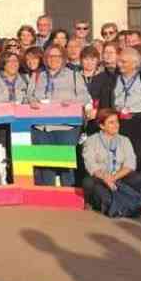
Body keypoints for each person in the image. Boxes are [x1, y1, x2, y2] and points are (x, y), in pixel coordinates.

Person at [97, 48, 141, 186]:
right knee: (120, 158)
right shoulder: (112, 80)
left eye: (123, 62)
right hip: (118, 122)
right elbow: (105, 103)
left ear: (135, 63)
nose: (119, 64)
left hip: (140, 122)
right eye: (119, 61)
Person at [29, 45, 89, 186]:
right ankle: (48, 197)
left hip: (66, 127)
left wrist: (71, 102)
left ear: (63, 59)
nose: (53, 59)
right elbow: (28, 96)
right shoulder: (37, 76)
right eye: (50, 56)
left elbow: (84, 97)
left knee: (66, 165)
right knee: (45, 164)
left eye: (57, 56)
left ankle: (68, 196)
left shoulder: (74, 75)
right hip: (42, 127)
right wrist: (32, 102)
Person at [82, 108, 141, 214]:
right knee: (88, 182)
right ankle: (92, 202)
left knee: (138, 179)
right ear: (102, 126)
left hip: (119, 177)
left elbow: (130, 164)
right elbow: (91, 165)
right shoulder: (91, 141)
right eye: (111, 123)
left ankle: (126, 201)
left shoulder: (125, 140)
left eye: (117, 121)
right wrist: (105, 178)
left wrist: (113, 178)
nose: (116, 125)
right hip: (101, 178)